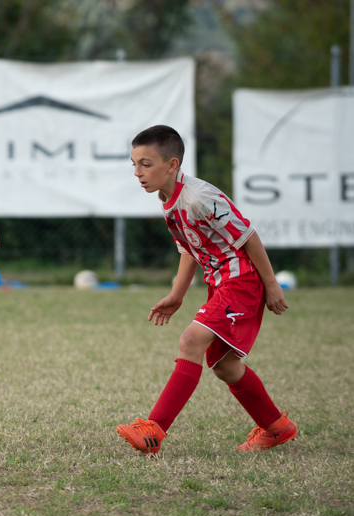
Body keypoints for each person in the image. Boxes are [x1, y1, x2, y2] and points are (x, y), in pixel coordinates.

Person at [116, 125, 296, 455]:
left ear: (172, 164)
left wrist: (272, 285)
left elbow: (248, 236)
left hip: (241, 282)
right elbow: (189, 248)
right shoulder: (167, 199)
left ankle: (154, 429)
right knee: (225, 366)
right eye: (134, 164)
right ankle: (276, 427)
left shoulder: (199, 197)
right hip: (221, 285)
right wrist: (177, 295)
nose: (138, 172)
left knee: (190, 341)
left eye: (146, 164)